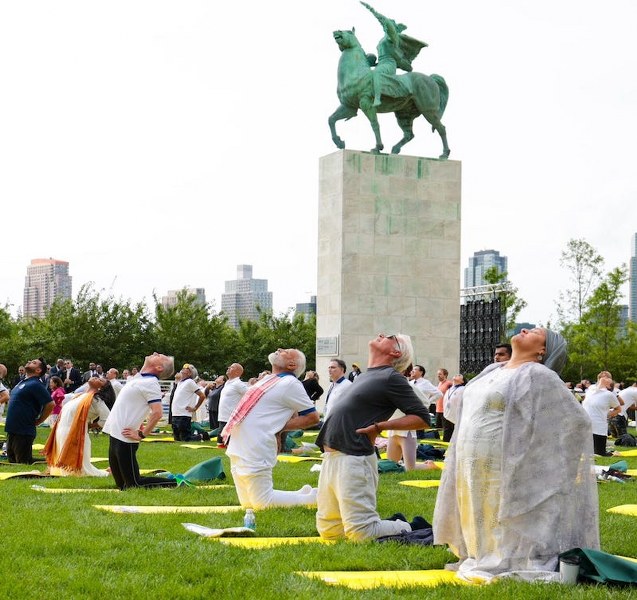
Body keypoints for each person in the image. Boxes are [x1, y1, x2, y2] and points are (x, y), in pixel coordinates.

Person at [434, 328, 599, 582]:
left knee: (498, 508)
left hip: (503, 460)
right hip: (471, 458)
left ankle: (508, 559)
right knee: (477, 509)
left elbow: (576, 421)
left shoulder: (539, 374)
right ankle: (480, 554)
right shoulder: (492, 371)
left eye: (535, 332)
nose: (524, 329)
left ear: (543, 350)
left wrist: (537, 453)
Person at [316, 334, 430, 541]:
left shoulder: (391, 377)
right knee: (329, 532)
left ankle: (409, 525)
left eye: (389, 337)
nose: (381, 335)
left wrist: (380, 427)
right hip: (332, 457)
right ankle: (390, 524)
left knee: (361, 533)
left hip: (355, 457)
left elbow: (422, 418)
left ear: (395, 352)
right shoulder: (367, 375)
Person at [224, 348, 319, 509]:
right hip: (239, 444)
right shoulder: (268, 380)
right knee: (248, 504)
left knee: (262, 504)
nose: (279, 349)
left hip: (256, 445)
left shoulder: (290, 383)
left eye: (285, 351)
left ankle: (315, 499)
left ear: (291, 364)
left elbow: (313, 417)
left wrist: (280, 427)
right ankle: (302, 495)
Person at [102, 353, 178, 489]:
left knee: (133, 485)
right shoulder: (140, 378)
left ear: (159, 367)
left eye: (159, 356)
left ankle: (175, 483)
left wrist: (142, 435)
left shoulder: (151, 383)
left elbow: (157, 412)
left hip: (126, 439)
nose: (155, 353)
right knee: (122, 486)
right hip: (116, 435)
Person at [361, 2, 427, 106]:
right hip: (382, 63)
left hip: (390, 64)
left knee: (376, 74)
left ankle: (377, 98)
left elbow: (387, 23)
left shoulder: (393, 38)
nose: (385, 27)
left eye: (388, 26)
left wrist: (373, 11)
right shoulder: (383, 39)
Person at [43, 376, 111, 476]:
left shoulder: (96, 400)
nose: (96, 378)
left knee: (81, 469)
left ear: (101, 388)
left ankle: (106, 474)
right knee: (63, 468)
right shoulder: (78, 395)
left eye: (100, 380)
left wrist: (90, 425)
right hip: (61, 430)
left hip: (75, 433)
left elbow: (107, 419)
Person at [385, 365, 438, 472]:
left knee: (410, 469)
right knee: (391, 466)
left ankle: (429, 466)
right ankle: (423, 464)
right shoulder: (389, 386)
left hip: (406, 431)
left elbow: (425, 402)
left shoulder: (409, 387)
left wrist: (412, 413)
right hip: (393, 430)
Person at [5, 358, 54, 464]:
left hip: (24, 429)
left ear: (38, 370)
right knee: (12, 461)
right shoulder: (22, 382)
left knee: (23, 461)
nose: (29, 362)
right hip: (12, 428)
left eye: (34, 363)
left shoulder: (36, 384)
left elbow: (50, 404)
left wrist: (40, 420)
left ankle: (53, 461)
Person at [582, 376, 620, 456]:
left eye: (607, 378)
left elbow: (618, 409)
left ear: (609, 386)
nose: (604, 377)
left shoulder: (609, 394)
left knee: (599, 453)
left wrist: (606, 414)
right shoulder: (591, 389)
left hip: (599, 429)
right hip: (585, 426)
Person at [171, 364, 206, 441]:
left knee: (185, 438)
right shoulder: (180, 383)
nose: (183, 369)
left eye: (186, 368)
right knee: (177, 438)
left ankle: (202, 436)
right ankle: (199, 435)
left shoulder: (190, 382)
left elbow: (202, 396)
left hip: (184, 414)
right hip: (176, 413)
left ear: (190, 373)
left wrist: (195, 408)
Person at [217, 363, 248, 448]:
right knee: (220, 443)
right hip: (223, 417)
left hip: (231, 418)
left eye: (232, 367)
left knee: (227, 444)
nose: (229, 368)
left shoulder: (238, 384)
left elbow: (249, 395)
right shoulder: (227, 383)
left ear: (238, 372)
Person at [441, 374, 465, 442]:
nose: (457, 375)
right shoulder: (449, 389)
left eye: (459, 375)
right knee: (446, 437)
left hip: (456, 416)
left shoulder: (463, 389)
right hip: (446, 415)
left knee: (456, 437)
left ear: (462, 381)